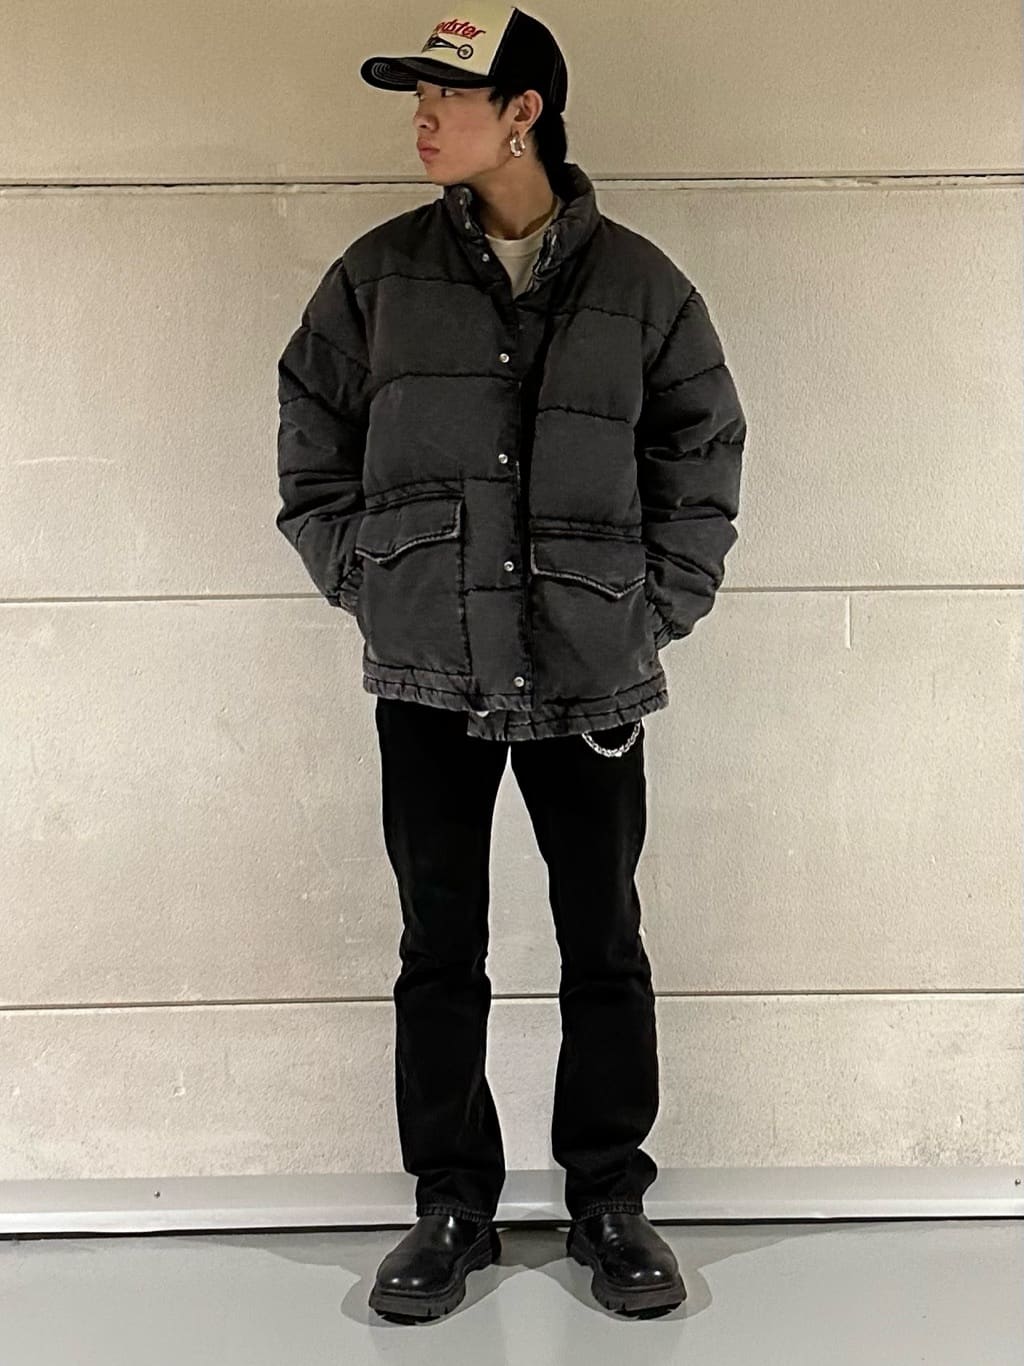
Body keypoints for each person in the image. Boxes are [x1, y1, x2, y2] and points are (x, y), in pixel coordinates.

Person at [276, 2, 746, 1323]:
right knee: (440, 944)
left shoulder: (643, 286)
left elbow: (703, 448)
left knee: (603, 939)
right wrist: (366, 576)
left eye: (447, 96)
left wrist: (654, 605)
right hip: (430, 667)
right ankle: (451, 1205)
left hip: (590, 669)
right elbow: (310, 432)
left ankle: (610, 1202)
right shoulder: (376, 278)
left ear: (523, 112)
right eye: (417, 98)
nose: (423, 121)